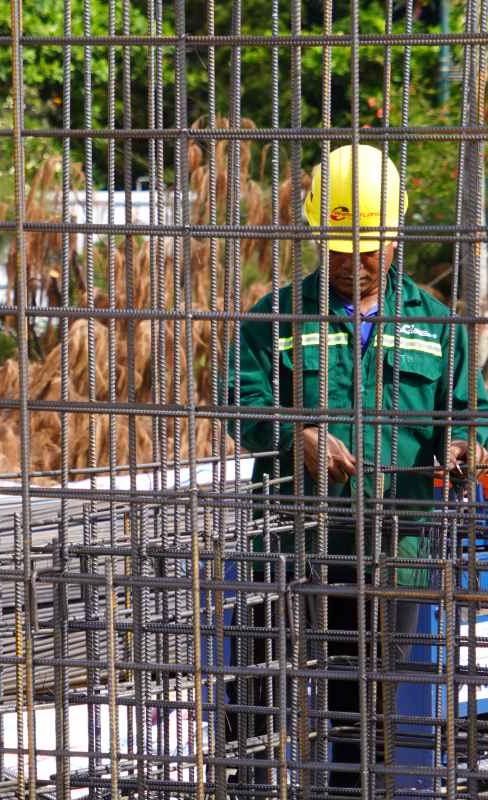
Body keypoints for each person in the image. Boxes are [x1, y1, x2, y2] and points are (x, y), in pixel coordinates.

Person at [234, 143, 488, 788]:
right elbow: (245, 406)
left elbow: (466, 409)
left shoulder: (436, 325)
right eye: (340, 247)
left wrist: (465, 444)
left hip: (396, 543)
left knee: (368, 700)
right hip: (297, 542)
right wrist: (300, 436)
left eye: (369, 247)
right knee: (273, 695)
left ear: (396, 238)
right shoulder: (276, 317)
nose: (354, 261)